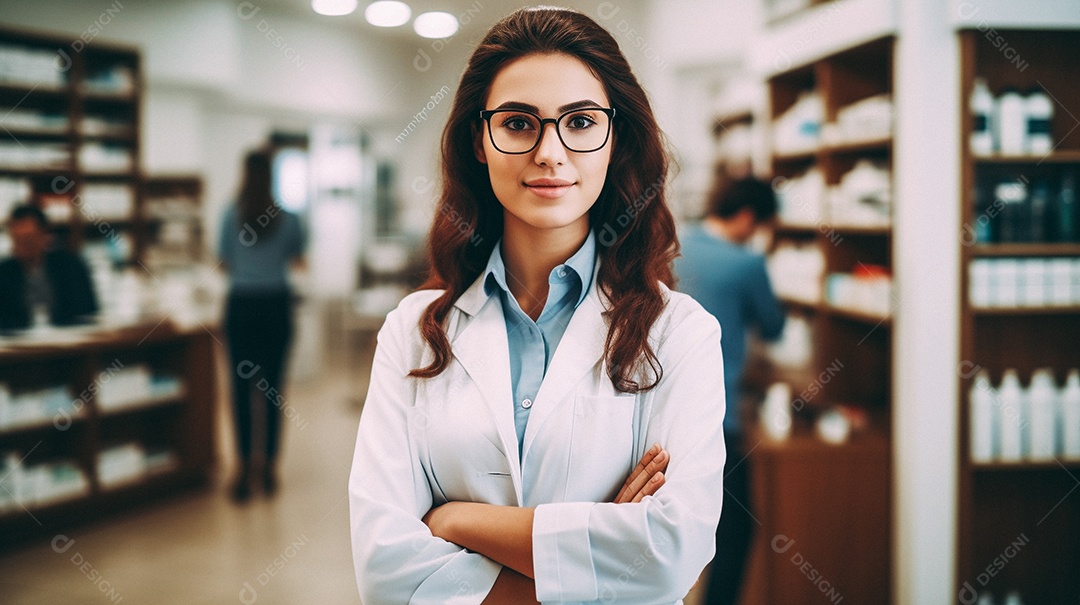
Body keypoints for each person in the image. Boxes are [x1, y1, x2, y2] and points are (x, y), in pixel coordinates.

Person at [349, 7, 727, 604]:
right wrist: (592, 562)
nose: (550, 152)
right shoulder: (413, 333)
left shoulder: (681, 334)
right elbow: (384, 569)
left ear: (615, 139)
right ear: (480, 139)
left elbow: (669, 551)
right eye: (520, 123)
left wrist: (454, 522)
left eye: (579, 122)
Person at [674, 177, 786, 605]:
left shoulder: (674, 244)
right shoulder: (745, 264)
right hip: (717, 419)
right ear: (746, 218)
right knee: (737, 529)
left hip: (659, 415)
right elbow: (773, 327)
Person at [218, 150, 306, 503]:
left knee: (240, 390)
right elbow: (297, 259)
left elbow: (222, 260)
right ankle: (268, 469)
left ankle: (241, 470)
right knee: (272, 390)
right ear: (271, 177)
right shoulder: (288, 218)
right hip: (276, 307)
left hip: (241, 307)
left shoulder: (231, 214)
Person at [0, 204, 98, 332]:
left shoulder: (70, 266)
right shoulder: (4, 273)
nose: (22, 247)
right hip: (20, 347)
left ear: (45, 235)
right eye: (17, 240)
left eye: (28, 239)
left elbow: (87, 311)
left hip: (68, 343)